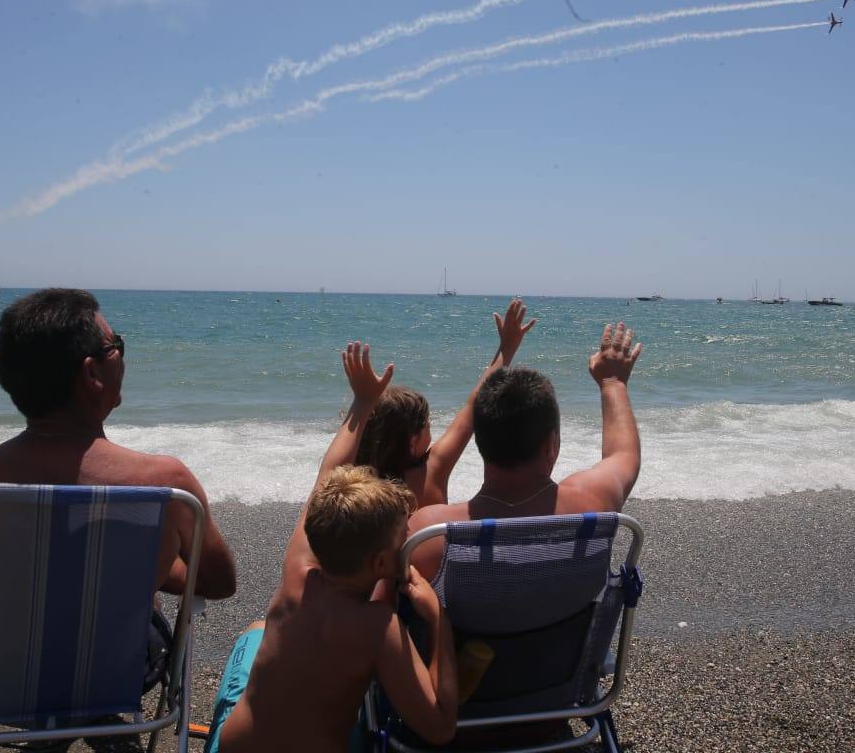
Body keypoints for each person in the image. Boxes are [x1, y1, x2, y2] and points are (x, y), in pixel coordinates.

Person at [0, 288, 237, 714]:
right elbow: (220, 583)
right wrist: (147, 565)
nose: (122, 356)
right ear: (93, 374)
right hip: (115, 678)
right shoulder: (165, 485)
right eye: (117, 346)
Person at [206, 342, 458, 753]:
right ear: (380, 562)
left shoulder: (297, 571)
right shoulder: (379, 627)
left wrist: (362, 403)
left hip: (230, 747)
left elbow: (328, 472)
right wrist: (438, 620)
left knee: (253, 635)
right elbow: (440, 726)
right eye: (402, 540)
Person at [407, 321, 643, 582]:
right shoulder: (592, 504)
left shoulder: (428, 533)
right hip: (571, 624)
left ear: (479, 442)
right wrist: (613, 383)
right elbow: (624, 455)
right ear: (550, 445)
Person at [356, 298, 535, 507]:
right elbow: (473, 406)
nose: (431, 432)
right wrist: (507, 348)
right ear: (413, 442)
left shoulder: (357, 487)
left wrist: (361, 402)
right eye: (427, 426)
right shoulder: (431, 470)